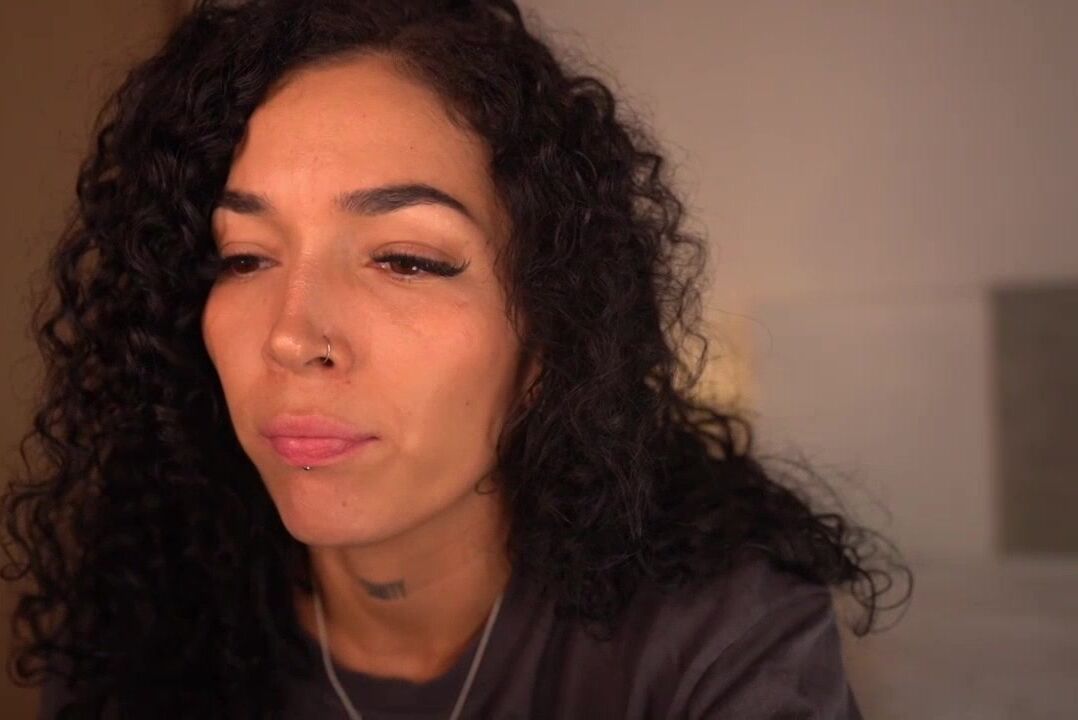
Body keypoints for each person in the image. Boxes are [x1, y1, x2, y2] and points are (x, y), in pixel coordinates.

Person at [3, 1, 910, 718]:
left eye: (405, 259)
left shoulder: (721, 638)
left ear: (554, 330)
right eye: (243, 258)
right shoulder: (135, 627)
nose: (291, 335)